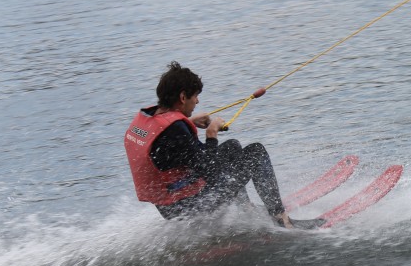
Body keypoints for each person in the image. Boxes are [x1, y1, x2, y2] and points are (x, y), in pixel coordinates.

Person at [125, 61, 293, 227]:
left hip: (169, 206)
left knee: (232, 146)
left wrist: (188, 122)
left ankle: (245, 210)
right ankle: (281, 219)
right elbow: (211, 172)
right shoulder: (175, 129)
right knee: (256, 152)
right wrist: (211, 134)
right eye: (195, 96)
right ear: (183, 97)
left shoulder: (148, 117)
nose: (197, 102)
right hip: (190, 209)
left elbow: (165, 144)